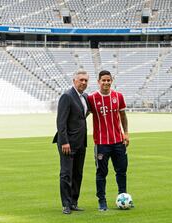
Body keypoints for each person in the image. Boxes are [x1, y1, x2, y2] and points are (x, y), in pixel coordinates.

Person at [87, 70, 131, 211]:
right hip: (101, 143)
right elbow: (83, 115)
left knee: (121, 172)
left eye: (108, 80)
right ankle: (102, 201)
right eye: (103, 80)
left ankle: (122, 196)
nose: (106, 82)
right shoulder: (92, 98)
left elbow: (123, 116)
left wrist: (126, 133)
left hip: (118, 141)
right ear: (98, 81)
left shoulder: (118, 96)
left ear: (111, 81)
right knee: (101, 173)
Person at [53, 69, 89, 214]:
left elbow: (83, 115)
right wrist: (64, 142)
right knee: (66, 174)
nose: (84, 82)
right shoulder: (67, 96)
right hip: (67, 143)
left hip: (81, 142)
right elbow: (61, 122)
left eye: (86, 80)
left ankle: (74, 202)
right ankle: (66, 205)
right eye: (81, 80)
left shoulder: (85, 97)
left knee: (78, 174)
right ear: (74, 81)